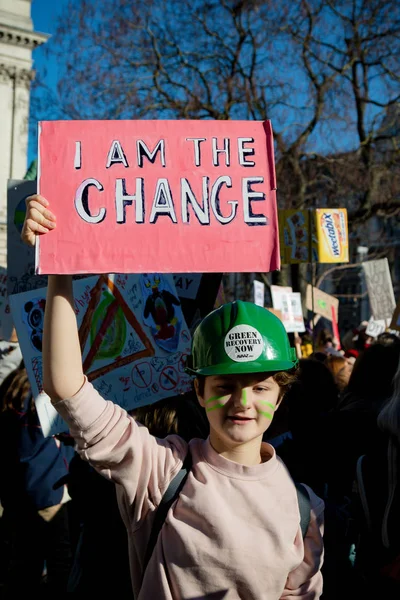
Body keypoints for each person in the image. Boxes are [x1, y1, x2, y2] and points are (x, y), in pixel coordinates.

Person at [21, 194, 324, 599]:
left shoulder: (305, 509)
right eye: (225, 386)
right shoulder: (158, 469)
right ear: (198, 389)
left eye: (260, 387)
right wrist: (59, 264)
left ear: (281, 396)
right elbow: (66, 388)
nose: (242, 402)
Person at [0, 362, 74, 595]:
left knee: (23, 558)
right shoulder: (42, 395)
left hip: (15, 490)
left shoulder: (11, 386)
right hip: (47, 491)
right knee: (58, 560)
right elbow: (69, 432)